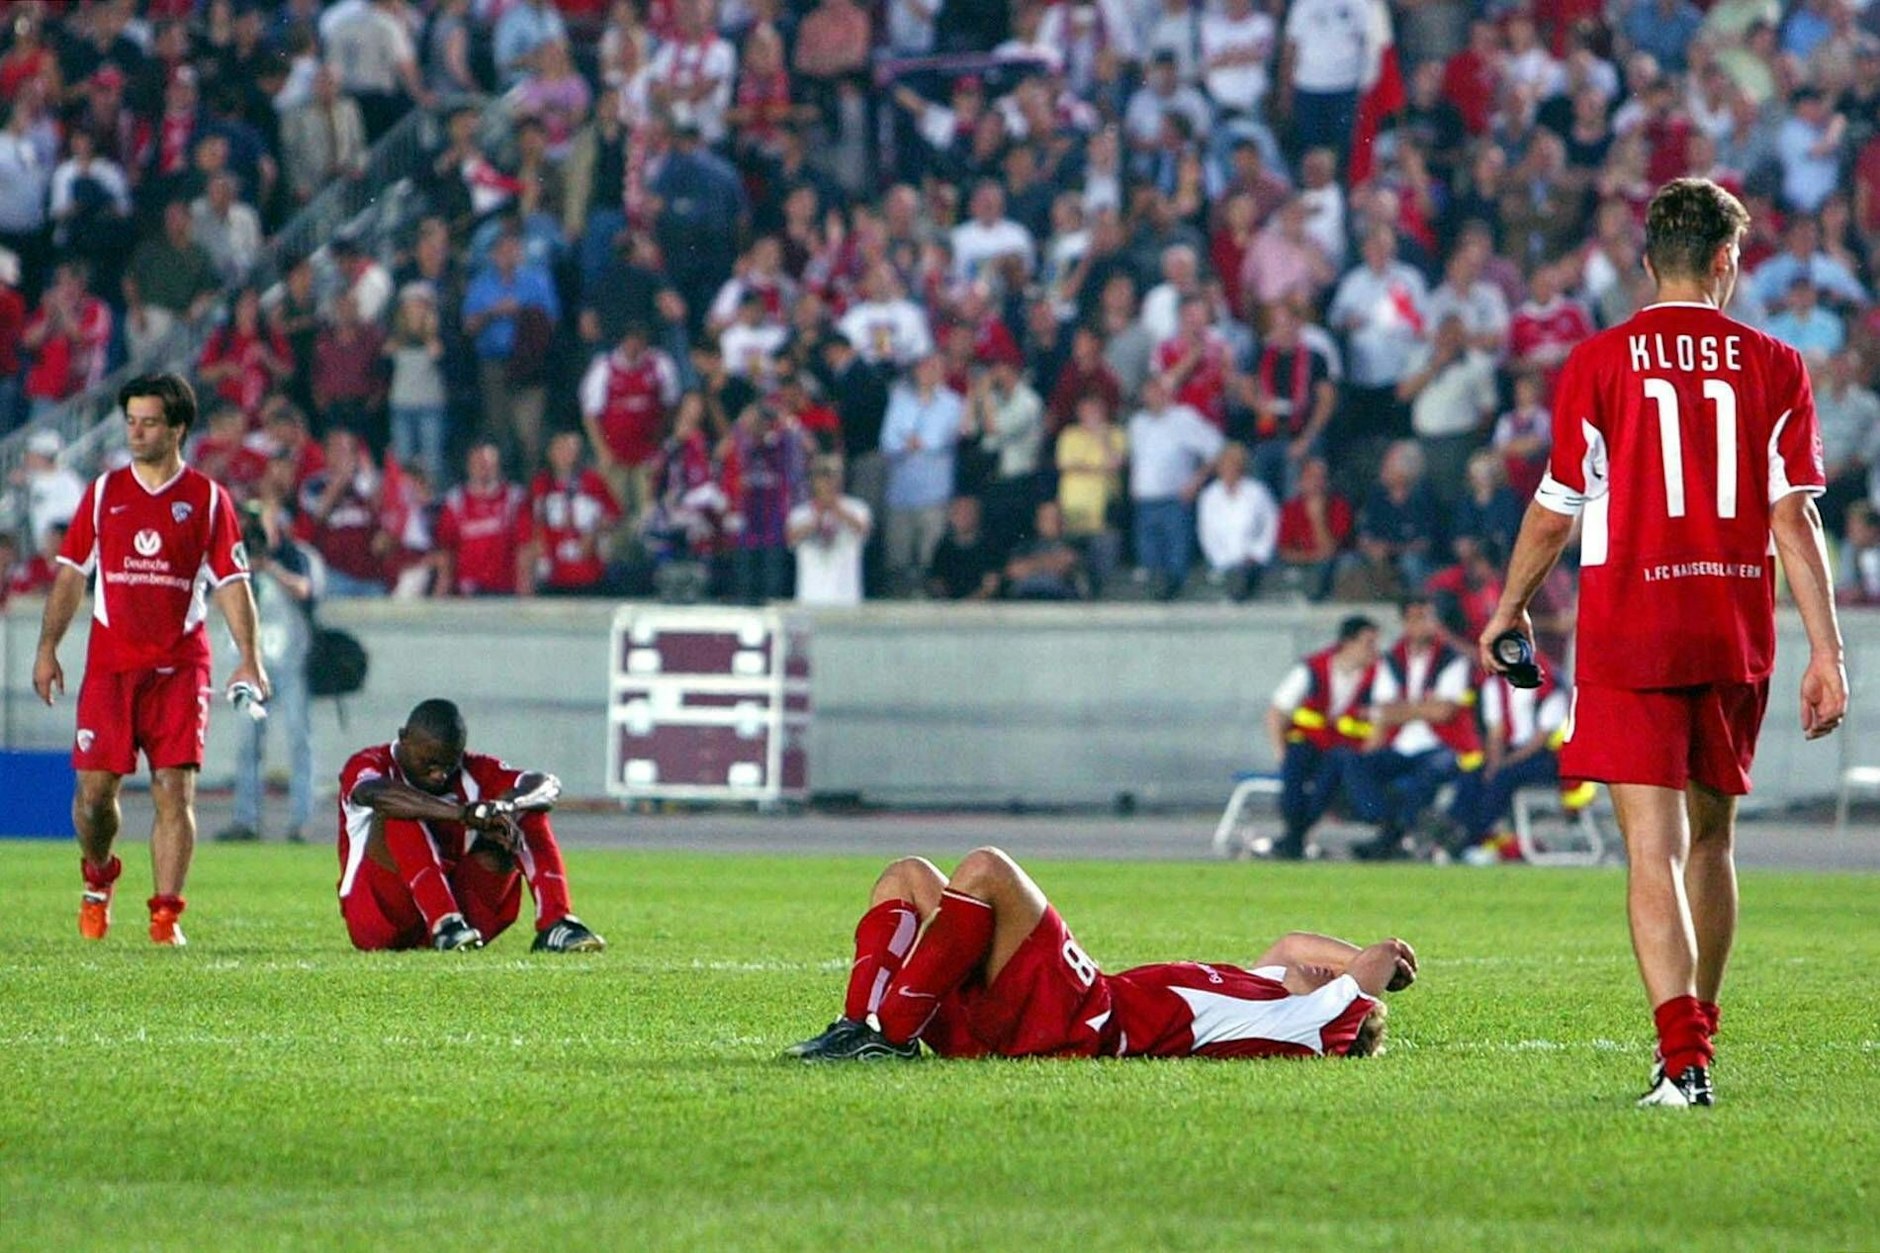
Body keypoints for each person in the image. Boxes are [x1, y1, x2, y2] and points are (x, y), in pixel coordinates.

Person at [1482, 178, 1848, 1109]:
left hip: (1631, 628)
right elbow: (1794, 521)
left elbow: (1556, 508)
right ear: (1727, 261)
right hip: (1732, 629)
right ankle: (1697, 1045)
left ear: (1648, 262)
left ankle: (1681, 1059)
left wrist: (1508, 606)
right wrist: (1827, 651)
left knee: (1651, 848)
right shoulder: (1776, 362)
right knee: (1713, 843)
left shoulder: (1601, 361)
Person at [32, 374, 268, 947]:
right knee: (93, 798)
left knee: (174, 790)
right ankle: (99, 875)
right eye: (131, 421)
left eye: (149, 422)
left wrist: (250, 659)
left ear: (177, 428)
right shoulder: (105, 492)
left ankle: (165, 917)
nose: (136, 432)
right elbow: (70, 576)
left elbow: (233, 583)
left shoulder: (209, 500)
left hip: (180, 667)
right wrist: (47, 648)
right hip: (111, 667)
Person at [785, 847, 1412, 1061]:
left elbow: (1375, 962)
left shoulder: (1306, 1023)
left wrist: (1389, 963)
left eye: (1333, 979)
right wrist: (1341, 961)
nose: (1324, 967)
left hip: (1083, 1020)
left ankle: (888, 1037)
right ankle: (859, 1030)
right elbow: (1294, 944)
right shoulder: (1266, 985)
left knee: (986, 870)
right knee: (908, 877)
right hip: (1035, 1019)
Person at [336, 699, 604, 953]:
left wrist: (505, 807)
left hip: (465, 917)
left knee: (524, 810)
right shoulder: (370, 762)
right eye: (429, 763)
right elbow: (376, 794)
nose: (439, 774)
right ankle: (445, 922)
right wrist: (461, 814)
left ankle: (557, 922)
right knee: (399, 809)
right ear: (404, 738)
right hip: (381, 917)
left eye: (448, 765)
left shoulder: (472, 769)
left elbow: (546, 785)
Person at [1346, 597, 1483, 862]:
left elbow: (1444, 712)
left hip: (1443, 744)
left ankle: (1393, 836)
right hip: (1401, 745)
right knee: (1355, 763)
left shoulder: (1451, 659)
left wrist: (1404, 708)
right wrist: (1424, 706)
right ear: (1405, 623)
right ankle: (1390, 825)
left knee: (1430, 771)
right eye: (1416, 618)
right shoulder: (1392, 660)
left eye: (1428, 617)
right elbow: (1384, 711)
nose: (1423, 625)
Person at [216, 504, 320, 846]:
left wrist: (270, 567)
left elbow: (305, 590)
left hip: (288, 663)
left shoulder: (291, 555)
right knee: (248, 745)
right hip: (250, 663)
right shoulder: (236, 557)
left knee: (298, 740)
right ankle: (246, 819)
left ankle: (301, 821)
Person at [1262, 615, 1381, 860]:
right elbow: (1277, 712)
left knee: (1331, 776)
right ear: (1348, 642)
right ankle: (1294, 832)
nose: (1374, 650)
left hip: (1342, 750)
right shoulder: (1313, 668)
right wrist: (1279, 751)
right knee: (1294, 769)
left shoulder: (1377, 676)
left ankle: (1294, 837)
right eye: (1368, 643)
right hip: (1307, 742)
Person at [788, 457, 871, 607]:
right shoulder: (800, 513)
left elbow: (863, 530)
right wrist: (817, 516)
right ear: (813, 480)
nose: (828, 481)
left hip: (847, 598)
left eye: (834, 475)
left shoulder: (857, 508)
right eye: (823, 475)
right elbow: (791, 538)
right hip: (810, 598)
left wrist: (836, 508)